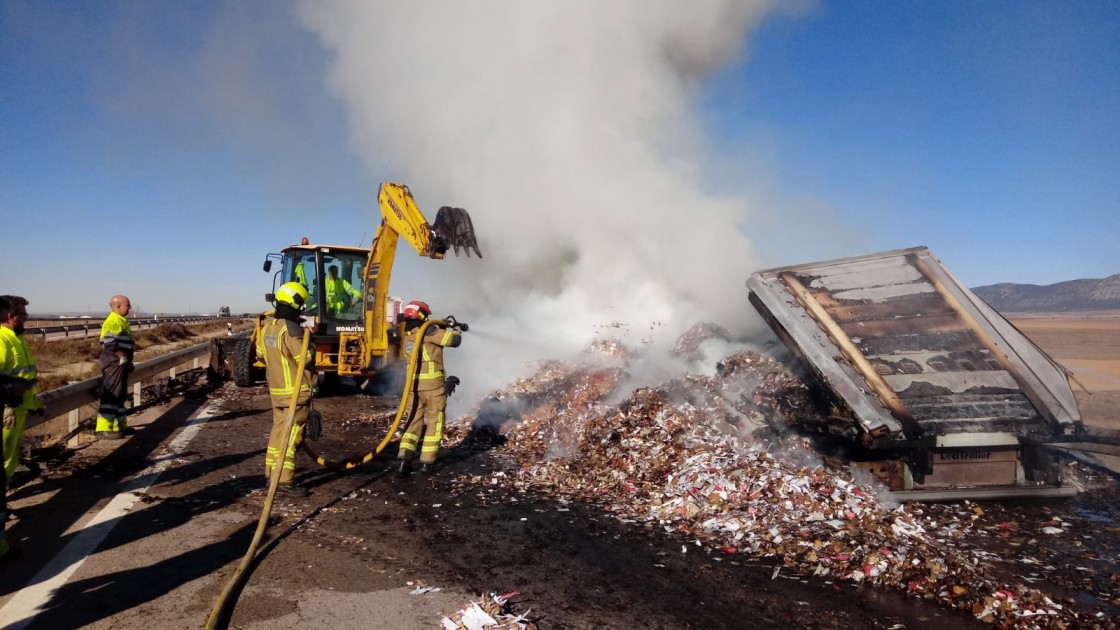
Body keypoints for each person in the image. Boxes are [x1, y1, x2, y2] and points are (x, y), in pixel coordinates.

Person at [255, 282, 314, 497]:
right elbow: (304, 357)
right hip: (295, 393)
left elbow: (261, 354)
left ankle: (271, 473)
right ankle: (286, 480)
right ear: (296, 302)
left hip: (277, 392)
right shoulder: (292, 329)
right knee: (292, 436)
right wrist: (310, 340)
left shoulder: (269, 327)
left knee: (279, 432)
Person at [396, 300, 462, 476]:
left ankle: (404, 460)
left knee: (412, 423)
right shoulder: (430, 331)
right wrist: (455, 328)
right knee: (435, 422)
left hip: (413, 388)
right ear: (422, 316)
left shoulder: (408, 336)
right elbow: (454, 341)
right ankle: (427, 462)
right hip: (433, 388)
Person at [0, 296, 44, 481]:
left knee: (10, 453)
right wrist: (8, 400)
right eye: (21, 314)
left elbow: (24, 375)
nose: (25, 317)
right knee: (5, 453)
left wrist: (34, 402)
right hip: (8, 409)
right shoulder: (3, 340)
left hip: (19, 408)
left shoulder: (16, 338)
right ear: (9, 315)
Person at [95, 295, 135, 440]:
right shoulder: (113, 320)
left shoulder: (121, 321)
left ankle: (120, 425)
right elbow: (109, 342)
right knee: (112, 394)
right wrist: (121, 356)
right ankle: (104, 428)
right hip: (114, 363)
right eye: (127, 305)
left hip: (120, 364)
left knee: (120, 395)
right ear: (118, 306)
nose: (129, 308)